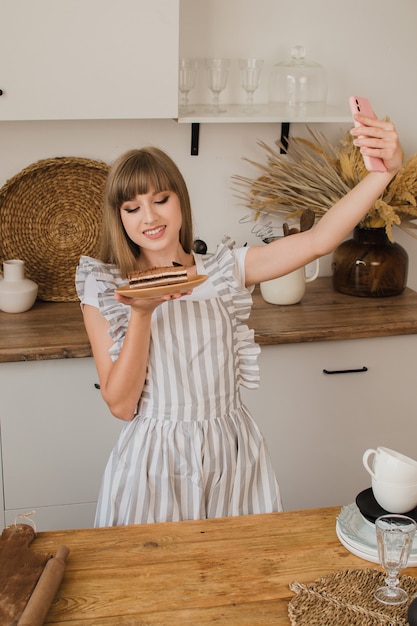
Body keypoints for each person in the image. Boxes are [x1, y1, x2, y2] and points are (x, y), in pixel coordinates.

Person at [76, 112, 402, 527]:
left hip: (233, 453)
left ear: (180, 200)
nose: (150, 217)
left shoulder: (226, 269)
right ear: (119, 217)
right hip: (155, 461)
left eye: (160, 200)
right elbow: (121, 405)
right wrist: (142, 312)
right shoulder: (105, 288)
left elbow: (318, 239)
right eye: (132, 207)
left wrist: (383, 174)